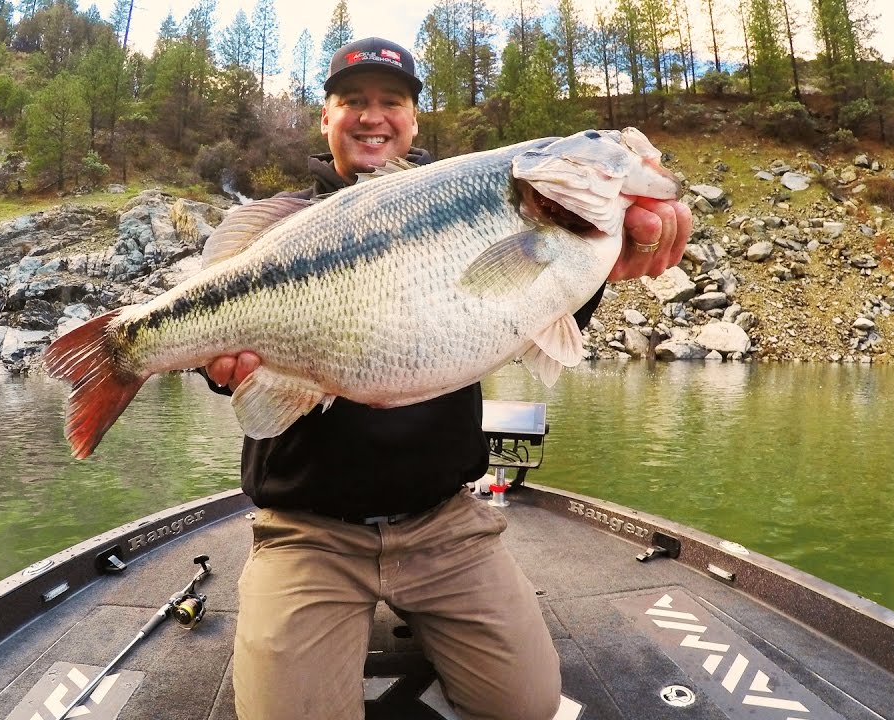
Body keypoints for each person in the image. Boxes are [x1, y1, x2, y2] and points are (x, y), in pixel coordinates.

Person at [204, 37, 691, 720]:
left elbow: (533, 305)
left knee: (528, 706)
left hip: (444, 525)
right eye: (353, 102)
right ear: (325, 118)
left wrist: (615, 253)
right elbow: (233, 378)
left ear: (413, 121)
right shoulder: (284, 227)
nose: (373, 117)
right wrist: (220, 364)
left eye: (392, 103)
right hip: (307, 531)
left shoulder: (488, 201)